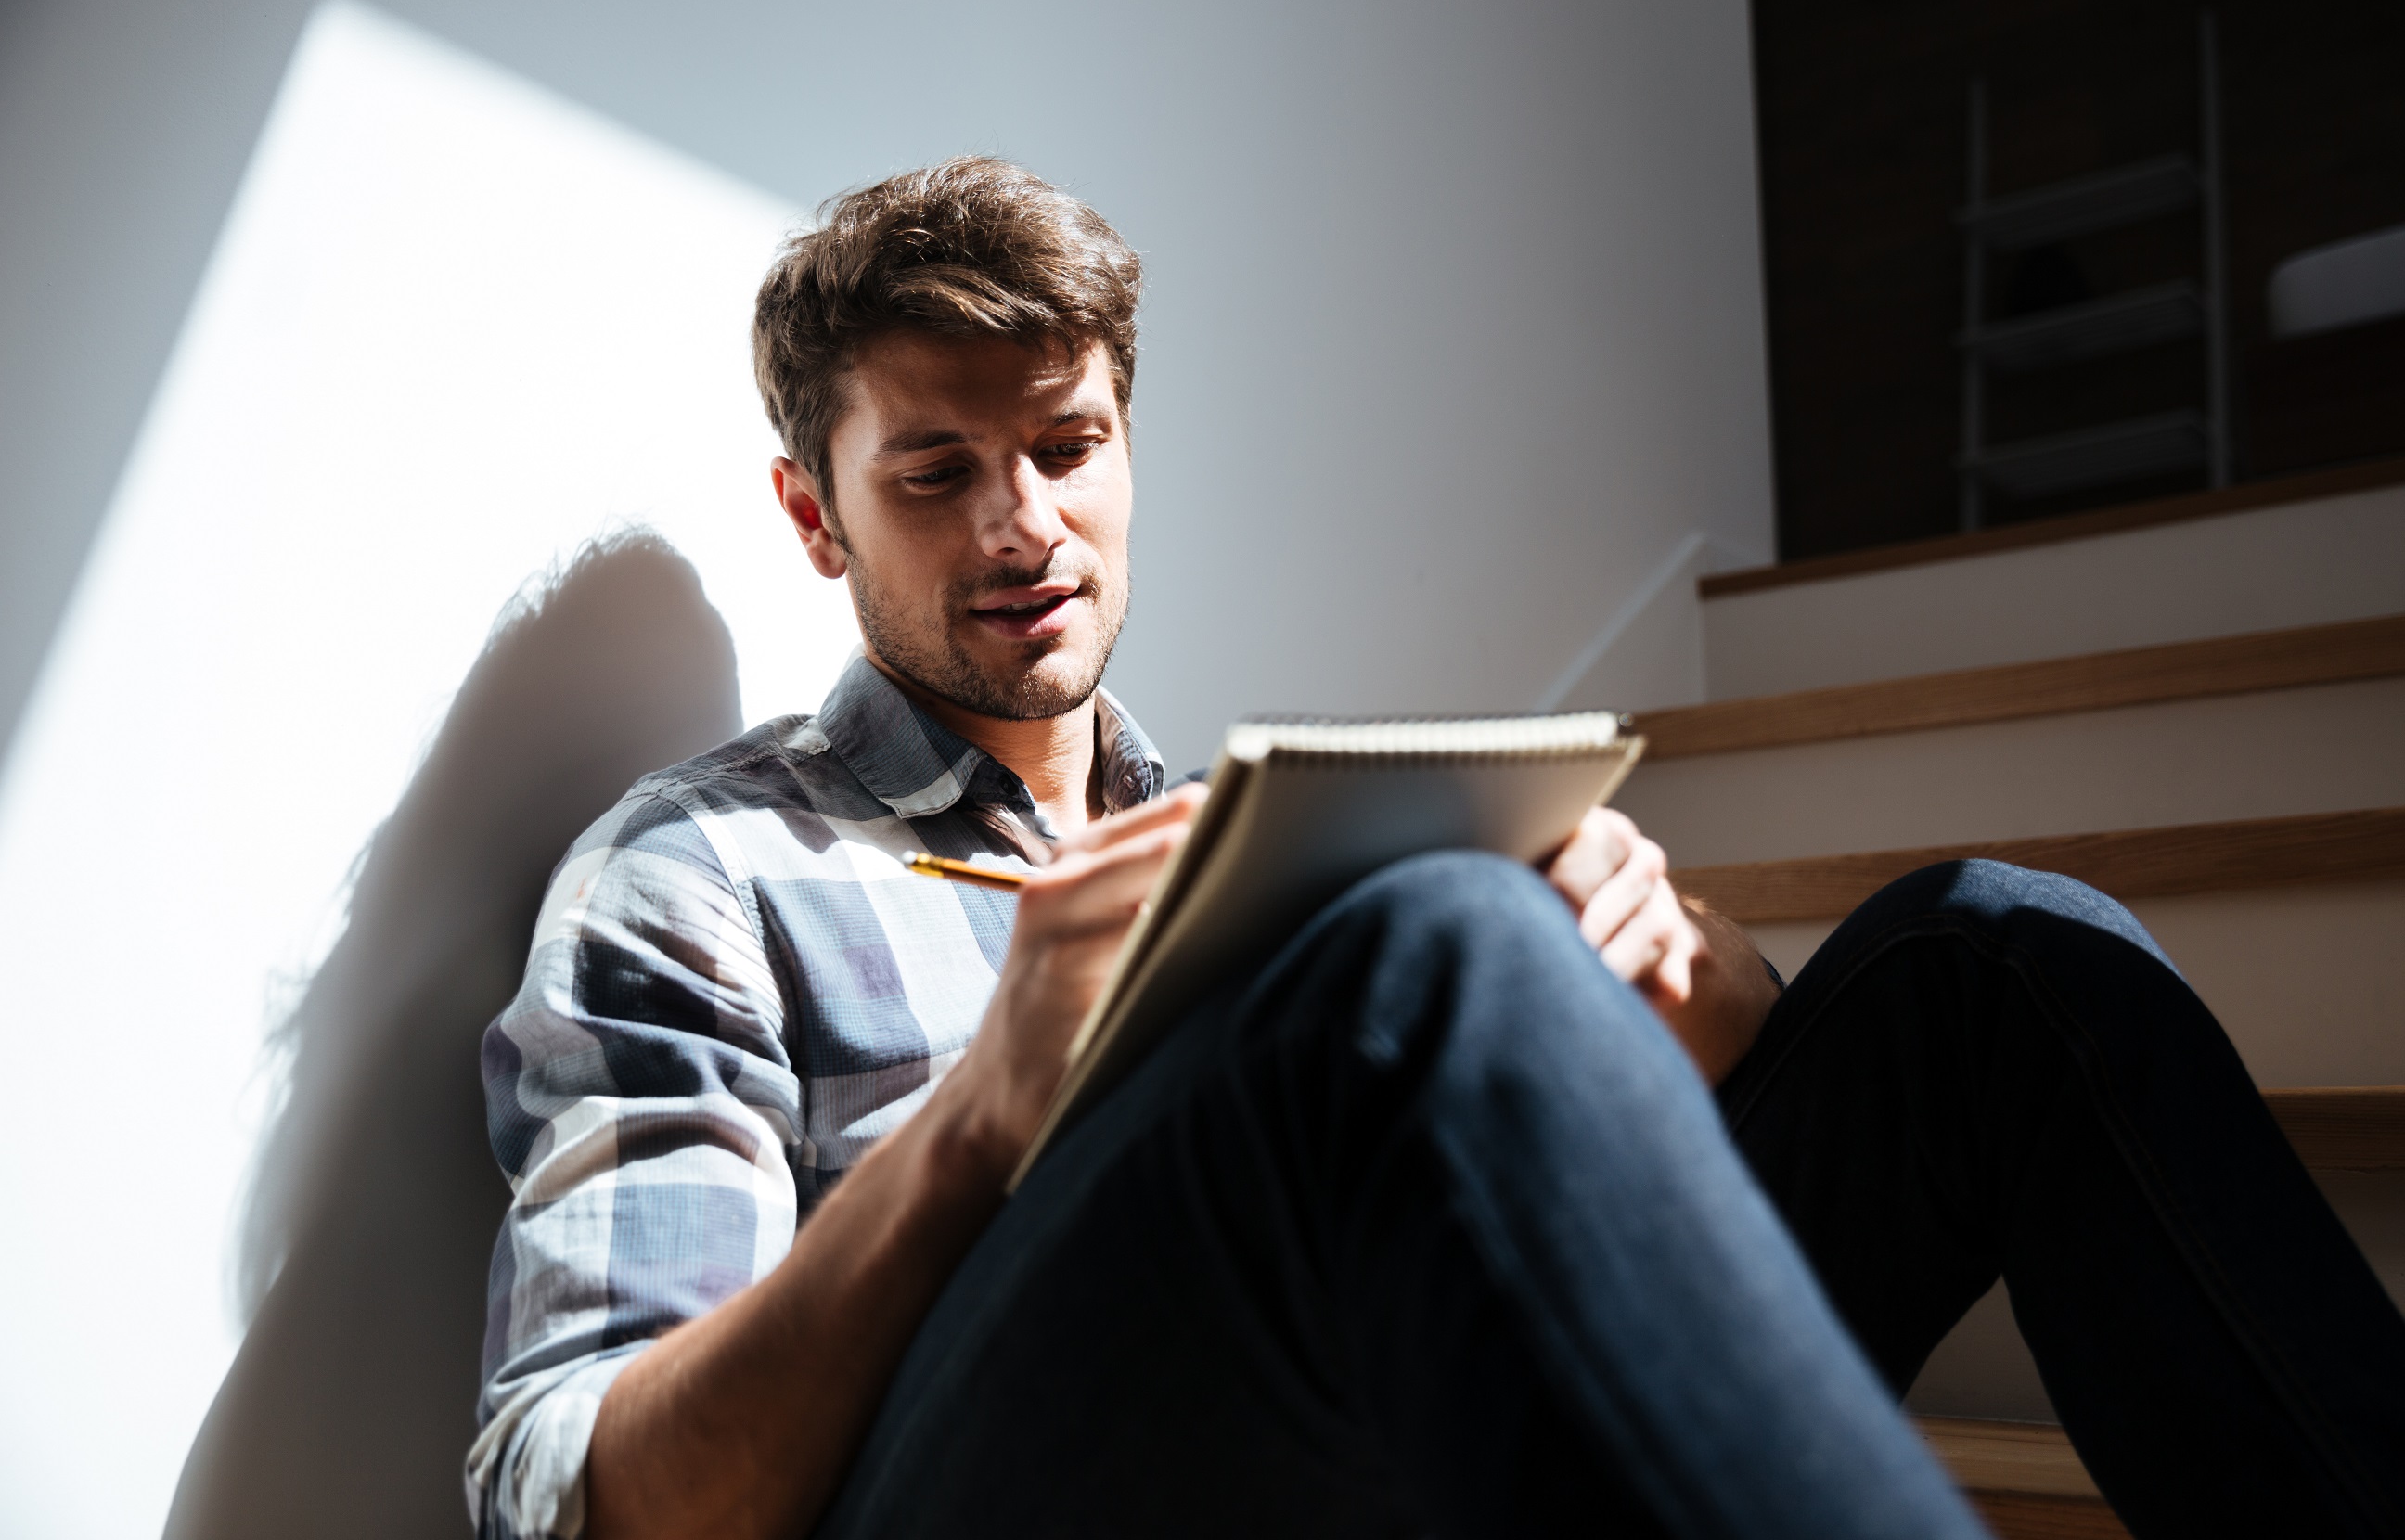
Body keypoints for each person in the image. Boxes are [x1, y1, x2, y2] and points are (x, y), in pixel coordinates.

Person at [469, 159, 2405, 1540]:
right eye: (936, 473)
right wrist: (981, 1122)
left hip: (1362, 1409)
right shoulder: (697, 872)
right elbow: (585, 1496)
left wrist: (1687, 988)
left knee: (1992, 960)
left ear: (1126, 441)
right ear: (818, 518)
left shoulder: (1227, 834)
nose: (1023, 525)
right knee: (1426, 956)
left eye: (1065, 445)